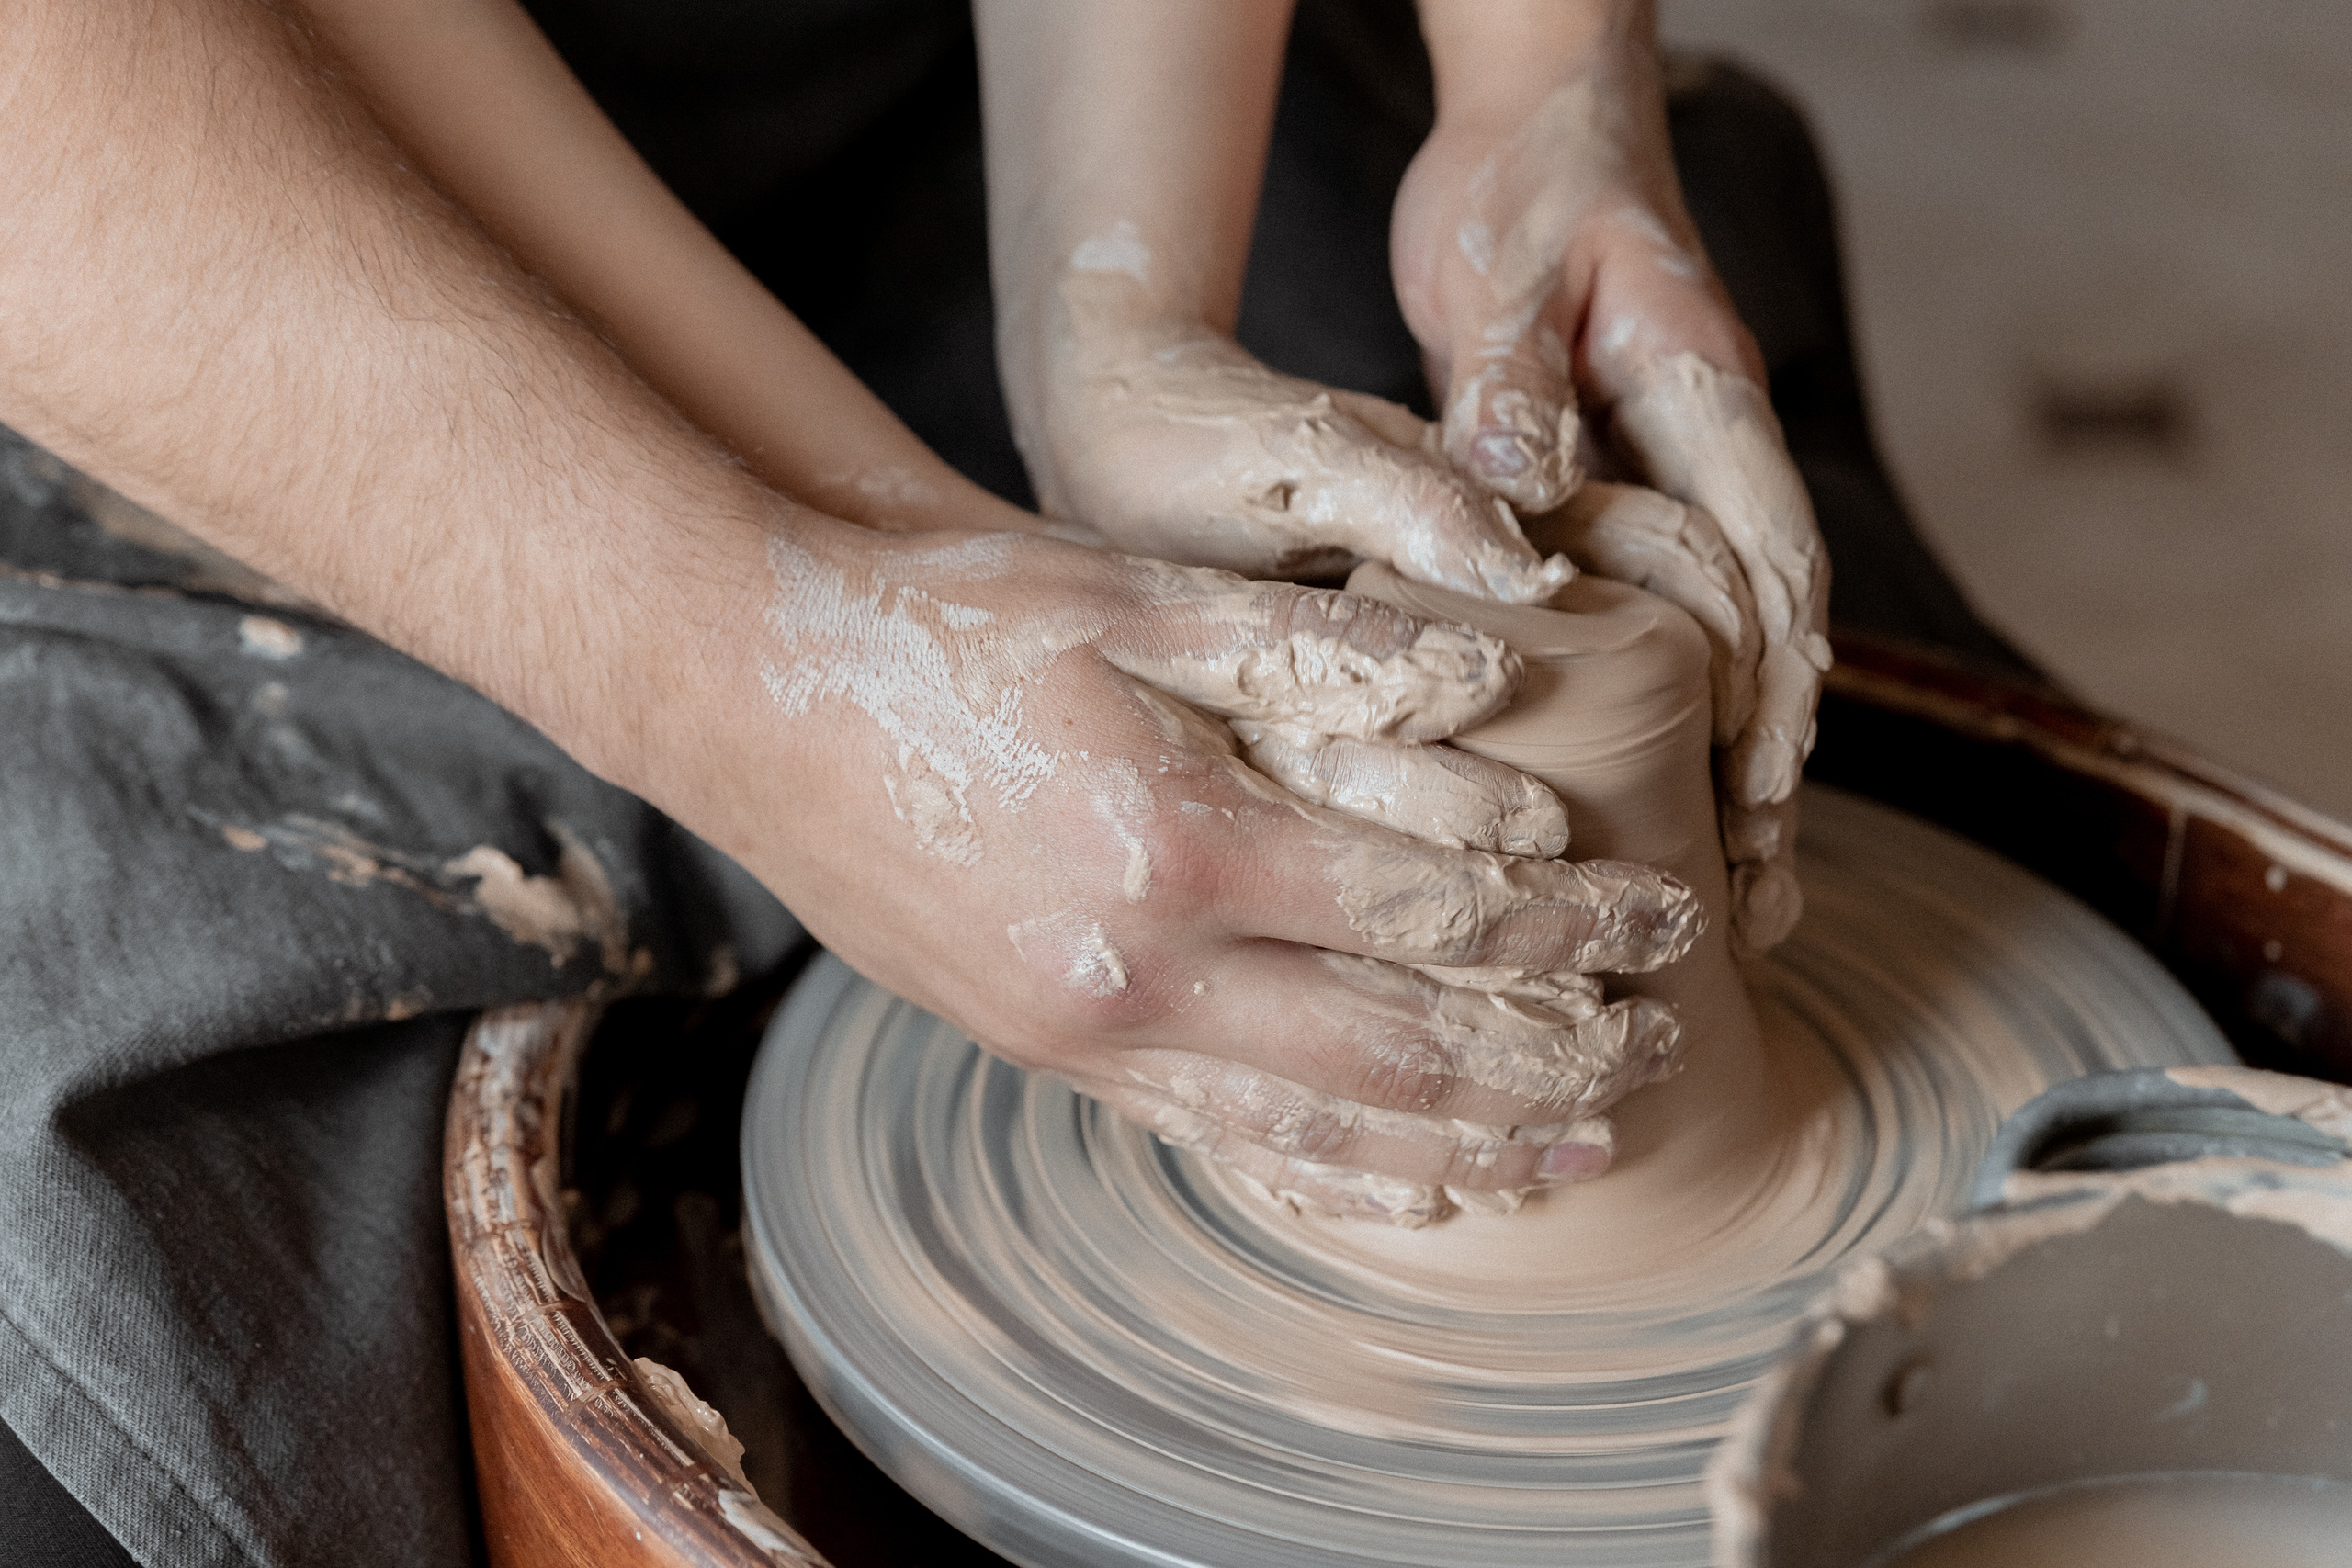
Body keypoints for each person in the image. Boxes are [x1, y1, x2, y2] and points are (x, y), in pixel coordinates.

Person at [0, 2, 2019, 1562]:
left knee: (1615, 544)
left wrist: (1478, 113)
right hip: (151, 233)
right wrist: (775, 661)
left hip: (968, 74)